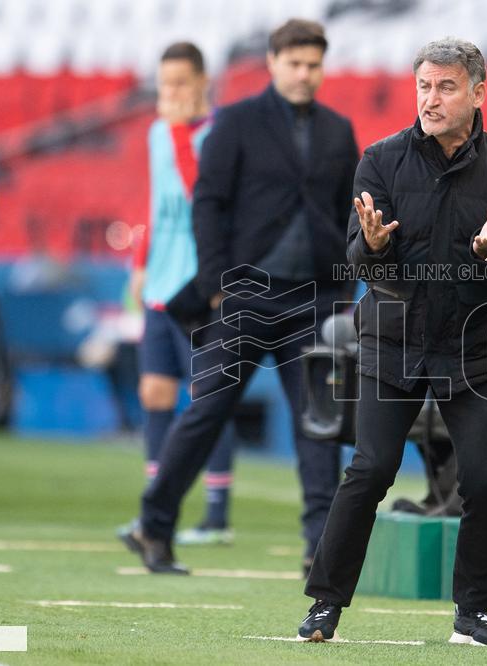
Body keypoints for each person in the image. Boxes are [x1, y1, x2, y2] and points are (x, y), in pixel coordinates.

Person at [297, 37, 487, 647]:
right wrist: (373, 246)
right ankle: (325, 606)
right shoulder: (379, 160)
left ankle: (472, 613)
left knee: (482, 481)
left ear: (478, 93)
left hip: (472, 348)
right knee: (371, 469)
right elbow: (359, 260)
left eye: (446, 86)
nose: (431, 98)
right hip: (392, 342)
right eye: (424, 86)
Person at [121, 19, 359, 575]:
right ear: (273, 63)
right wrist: (214, 284)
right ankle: (153, 527)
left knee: (317, 426)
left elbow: (351, 213)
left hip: (314, 301)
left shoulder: (338, 130)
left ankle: (319, 550)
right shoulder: (237, 121)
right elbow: (208, 202)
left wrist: (344, 290)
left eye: (313, 64)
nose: (304, 73)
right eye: (295, 63)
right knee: (207, 411)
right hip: (244, 296)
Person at [123, 41, 237, 547]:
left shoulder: (217, 135)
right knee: (155, 391)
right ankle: (154, 508)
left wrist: (178, 134)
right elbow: (156, 202)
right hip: (161, 281)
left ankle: (216, 512)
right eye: (163, 83)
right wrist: (140, 262)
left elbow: (203, 199)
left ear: (201, 83)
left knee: (207, 397)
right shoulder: (155, 133)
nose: (168, 93)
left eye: (178, 83)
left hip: (200, 285)